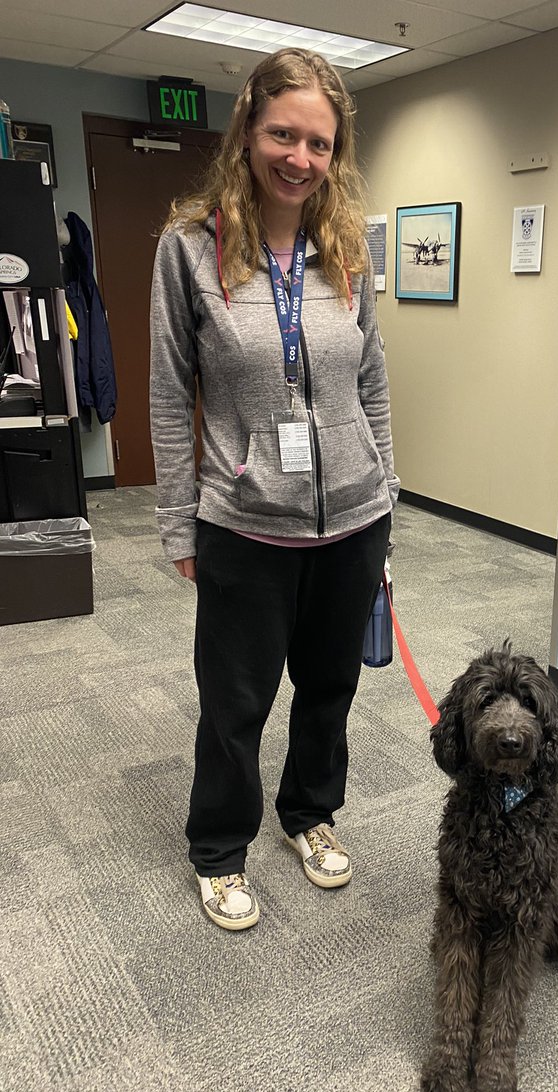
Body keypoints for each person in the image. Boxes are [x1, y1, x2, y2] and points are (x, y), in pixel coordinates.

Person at [149, 48, 398, 932]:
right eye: (283, 135)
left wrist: (387, 494)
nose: (300, 158)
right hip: (246, 526)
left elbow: (371, 383)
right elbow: (170, 397)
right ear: (248, 130)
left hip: (353, 519)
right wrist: (181, 525)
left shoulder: (348, 248)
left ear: (337, 153)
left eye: (319, 143)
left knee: (329, 689)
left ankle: (310, 814)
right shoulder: (189, 248)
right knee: (236, 702)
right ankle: (219, 848)